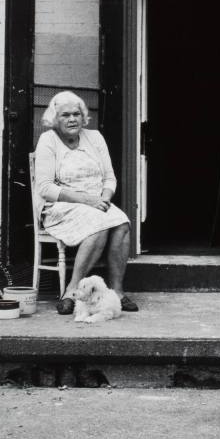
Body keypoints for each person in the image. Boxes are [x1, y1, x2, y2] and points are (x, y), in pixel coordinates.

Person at [34, 91, 138, 315]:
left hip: (95, 203)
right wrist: (87, 200)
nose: (72, 119)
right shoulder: (48, 140)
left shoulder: (95, 138)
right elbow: (45, 188)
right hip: (60, 206)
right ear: (54, 118)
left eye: (76, 114)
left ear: (83, 117)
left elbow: (109, 178)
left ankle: (117, 291)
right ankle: (71, 291)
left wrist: (104, 198)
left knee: (122, 222)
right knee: (98, 222)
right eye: (65, 115)